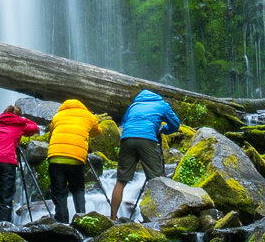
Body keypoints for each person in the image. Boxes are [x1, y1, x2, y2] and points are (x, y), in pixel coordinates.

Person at [106, 87, 182, 221]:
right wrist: (163, 129)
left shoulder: (134, 105)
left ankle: (112, 217)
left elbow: (123, 123)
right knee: (156, 180)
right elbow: (175, 124)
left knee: (121, 180)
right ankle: (158, 217)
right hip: (147, 139)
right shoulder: (161, 104)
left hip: (127, 138)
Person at [0, 101, 40, 222]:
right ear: (18, 116)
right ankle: (3, 225)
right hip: (6, 161)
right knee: (5, 196)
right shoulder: (20, 124)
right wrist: (24, 120)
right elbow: (35, 128)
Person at [46, 98, 98, 224]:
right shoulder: (89, 116)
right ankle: (81, 218)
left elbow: (51, 134)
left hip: (56, 156)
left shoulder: (58, 116)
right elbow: (97, 132)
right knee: (78, 189)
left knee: (59, 193)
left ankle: (62, 223)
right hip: (75, 158)